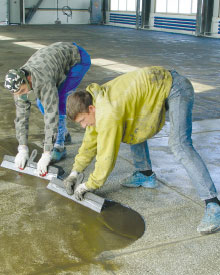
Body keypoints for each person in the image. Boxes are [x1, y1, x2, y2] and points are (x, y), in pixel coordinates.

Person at [64, 66, 220, 234]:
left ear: (91, 109)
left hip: (176, 87)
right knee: (131, 126)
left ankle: (213, 204)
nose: (83, 125)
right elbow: (89, 142)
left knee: (179, 145)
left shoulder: (108, 112)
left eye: (82, 120)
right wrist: (75, 172)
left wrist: (89, 185)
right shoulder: (95, 100)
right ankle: (145, 174)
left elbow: (106, 156)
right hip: (155, 86)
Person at [4, 42, 91, 176]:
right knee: (41, 103)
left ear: (28, 79)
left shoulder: (43, 80)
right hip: (56, 57)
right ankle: (63, 133)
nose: (20, 95)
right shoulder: (18, 85)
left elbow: (52, 114)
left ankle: (59, 145)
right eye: (17, 93)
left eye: (22, 91)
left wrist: (46, 153)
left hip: (77, 59)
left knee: (60, 101)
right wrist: (22, 148)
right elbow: (21, 117)